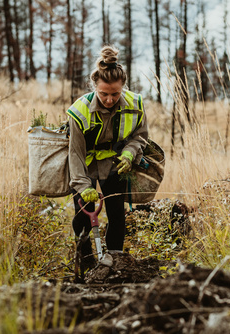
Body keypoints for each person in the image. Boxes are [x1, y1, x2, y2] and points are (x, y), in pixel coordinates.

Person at [66, 45, 148, 272]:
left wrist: (130, 153)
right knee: (82, 217)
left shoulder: (135, 105)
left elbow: (140, 137)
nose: (110, 99)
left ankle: (115, 263)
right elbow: (75, 154)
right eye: (104, 94)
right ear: (94, 87)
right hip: (86, 166)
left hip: (116, 164)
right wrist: (83, 186)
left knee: (116, 215)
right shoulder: (79, 111)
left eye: (115, 94)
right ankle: (85, 264)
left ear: (123, 87)